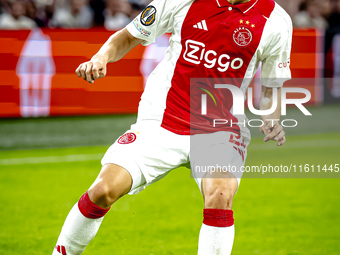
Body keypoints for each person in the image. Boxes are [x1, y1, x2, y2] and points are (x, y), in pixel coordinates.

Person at [52, 0, 292, 254]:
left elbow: (271, 85)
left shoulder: (275, 20)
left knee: (220, 196)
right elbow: (127, 36)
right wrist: (101, 57)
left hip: (221, 130)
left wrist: (271, 118)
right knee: (102, 191)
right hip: (161, 122)